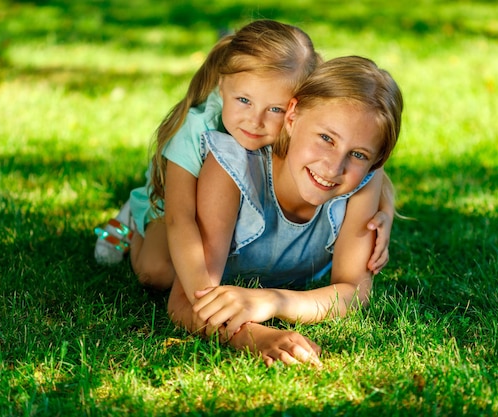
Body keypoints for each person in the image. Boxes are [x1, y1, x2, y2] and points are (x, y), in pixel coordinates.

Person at [94, 20, 394, 290]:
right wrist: (203, 295)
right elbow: (180, 219)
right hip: (170, 200)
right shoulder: (195, 129)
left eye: (274, 109)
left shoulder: (301, 134)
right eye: (244, 101)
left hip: (216, 212)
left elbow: (365, 163)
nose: (255, 120)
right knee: (157, 271)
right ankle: (130, 224)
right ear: (222, 87)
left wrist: (386, 211)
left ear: (295, 108)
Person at [169, 55, 403, 367]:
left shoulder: (363, 185)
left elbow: (353, 293)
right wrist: (252, 336)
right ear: (291, 117)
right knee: (155, 268)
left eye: (358, 154)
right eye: (325, 138)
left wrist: (273, 301)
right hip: (170, 218)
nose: (333, 168)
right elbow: (186, 299)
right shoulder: (231, 168)